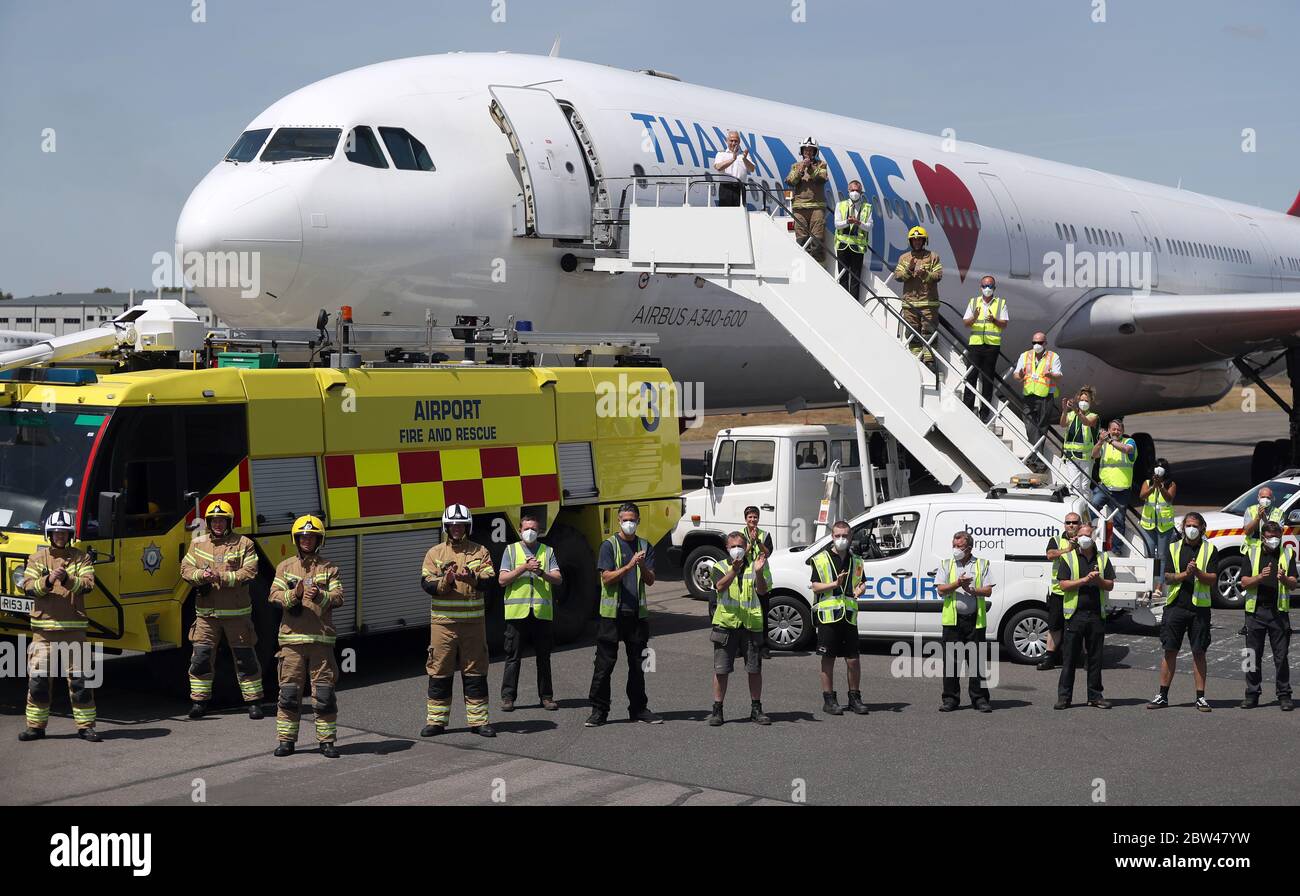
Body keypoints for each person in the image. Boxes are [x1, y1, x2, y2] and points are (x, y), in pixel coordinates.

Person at [18, 511, 100, 743]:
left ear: (70, 535)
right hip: (43, 632)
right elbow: (29, 586)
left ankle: (86, 727)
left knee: (81, 682)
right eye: (56, 533)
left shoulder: (81, 558)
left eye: (64, 533)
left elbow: (87, 585)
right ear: (49, 534)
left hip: (74, 630)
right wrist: (48, 579)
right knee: (38, 682)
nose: (60, 537)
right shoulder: (37, 558)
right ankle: (35, 727)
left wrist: (66, 579)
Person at [180, 499, 263, 719]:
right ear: (208, 522)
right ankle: (199, 702)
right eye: (214, 520)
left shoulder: (245, 543)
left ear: (229, 522)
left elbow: (251, 572)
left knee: (245, 659)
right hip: (207, 615)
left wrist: (223, 577)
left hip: (237, 615)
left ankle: (253, 702)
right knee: (201, 659)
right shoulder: (198, 543)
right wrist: (201, 576)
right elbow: (186, 569)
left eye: (221, 520)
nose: (217, 524)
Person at [269, 516, 344, 758]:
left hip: (320, 642)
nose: (306, 540)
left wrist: (321, 595)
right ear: (296, 539)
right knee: (289, 694)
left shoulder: (330, 568)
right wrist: (295, 594)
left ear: (318, 539)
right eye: (302, 536)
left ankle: (327, 742)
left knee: (323, 695)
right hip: (291, 643)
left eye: (311, 537)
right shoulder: (285, 567)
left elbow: (339, 598)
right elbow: (273, 597)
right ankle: (286, 742)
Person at [420, 504, 496, 737]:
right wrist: (447, 580)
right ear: (446, 527)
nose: (456, 528)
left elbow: (490, 580)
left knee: (475, 672)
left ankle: (478, 722)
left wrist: (471, 577)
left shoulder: (480, 551)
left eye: (460, 524)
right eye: (452, 525)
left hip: (473, 624)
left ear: (467, 526)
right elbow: (426, 584)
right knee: (439, 670)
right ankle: (436, 722)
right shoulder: (435, 553)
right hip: (443, 624)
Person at [587, 502, 663, 727]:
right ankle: (599, 711)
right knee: (604, 665)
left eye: (633, 519)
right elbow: (606, 578)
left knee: (640, 664)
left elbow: (650, 580)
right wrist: (629, 566)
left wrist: (641, 567)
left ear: (638, 521)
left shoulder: (644, 545)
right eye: (625, 520)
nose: (629, 523)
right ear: (618, 521)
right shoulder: (609, 546)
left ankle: (639, 708)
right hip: (612, 615)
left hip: (636, 615)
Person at [1148, 512, 1217, 711]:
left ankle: (1200, 697)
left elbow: (1212, 579)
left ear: (1202, 528)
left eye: (1195, 525)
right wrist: (1185, 574)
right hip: (1176, 606)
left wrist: (1198, 573)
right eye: (1188, 525)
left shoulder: (1210, 549)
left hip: (1200, 609)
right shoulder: (1174, 547)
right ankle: (1162, 695)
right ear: (1183, 527)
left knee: (1199, 652)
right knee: (1170, 650)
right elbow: (1168, 577)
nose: (1191, 529)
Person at [499, 514, 564, 712]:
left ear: (539, 531)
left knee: (543, 657)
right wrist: (524, 568)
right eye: (527, 528)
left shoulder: (547, 551)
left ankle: (546, 697)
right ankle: (508, 698)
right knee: (513, 656)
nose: (530, 532)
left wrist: (541, 573)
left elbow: (558, 579)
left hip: (541, 613)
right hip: (517, 613)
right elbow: (502, 579)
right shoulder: (511, 550)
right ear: (520, 530)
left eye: (534, 529)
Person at [706, 531, 771, 726]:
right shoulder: (719, 566)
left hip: (751, 625)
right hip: (726, 624)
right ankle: (717, 710)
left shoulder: (756, 566)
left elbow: (763, 591)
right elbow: (719, 586)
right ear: (727, 548)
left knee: (754, 669)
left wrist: (759, 572)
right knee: (721, 669)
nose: (737, 549)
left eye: (740, 546)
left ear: (746, 547)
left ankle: (756, 709)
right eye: (733, 546)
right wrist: (733, 571)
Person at [809, 520, 869, 716]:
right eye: (838, 536)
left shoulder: (857, 560)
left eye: (845, 536)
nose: (841, 539)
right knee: (828, 658)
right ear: (832, 537)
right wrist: (835, 584)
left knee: (853, 659)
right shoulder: (821, 559)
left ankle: (854, 697)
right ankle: (829, 699)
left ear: (851, 537)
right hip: (828, 617)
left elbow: (862, 583)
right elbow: (815, 586)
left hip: (849, 616)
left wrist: (860, 589)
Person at [1054, 524, 1114, 709]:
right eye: (1080, 535)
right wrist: (1084, 580)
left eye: (1087, 535)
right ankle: (1064, 698)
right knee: (1069, 659)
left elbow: (1110, 585)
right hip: (1075, 615)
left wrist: (1098, 581)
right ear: (1076, 538)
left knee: (1095, 658)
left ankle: (1095, 696)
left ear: (1093, 538)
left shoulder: (1102, 558)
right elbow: (1063, 585)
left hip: (1096, 614)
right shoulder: (1068, 557)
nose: (1084, 538)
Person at [1238, 520, 1295, 710]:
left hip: (1278, 612)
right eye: (1271, 537)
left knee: (1281, 656)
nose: (1274, 541)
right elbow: (1244, 582)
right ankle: (1251, 693)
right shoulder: (1252, 553)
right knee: (1251, 655)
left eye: (1277, 537)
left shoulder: (1287, 553)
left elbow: (1294, 583)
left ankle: (1284, 694)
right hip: (1256, 611)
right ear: (1263, 537)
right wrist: (1260, 577)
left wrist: (1284, 579)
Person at [936, 531, 994, 713]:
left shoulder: (981, 564)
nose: (956, 549)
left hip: (975, 620)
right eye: (954, 545)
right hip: (953, 621)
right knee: (952, 662)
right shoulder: (946, 564)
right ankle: (950, 699)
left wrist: (972, 589)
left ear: (969, 548)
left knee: (977, 661)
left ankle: (980, 698)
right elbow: (940, 590)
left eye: (959, 546)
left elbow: (988, 591)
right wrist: (957, 584)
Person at [893, 225, 944, 366]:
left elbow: (938, 275)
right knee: (912, 333)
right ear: (910, 242)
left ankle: (929, 360)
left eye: (919, 240)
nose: (916, 242)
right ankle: (916, 360)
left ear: (924, 241)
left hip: (928, 302)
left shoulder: (933, 257)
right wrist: (909, 270)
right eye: (914, 240)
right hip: (910, 303)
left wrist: (926, 274)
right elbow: (897, 276)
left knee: (929, 332)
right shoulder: (904, 258)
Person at [1038, 512, 1083, 671]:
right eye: (1068, 522)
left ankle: (1076, 657)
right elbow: (1050, 555)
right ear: (1064, 524)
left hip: (1078, 591)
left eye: (1075, 522)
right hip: (1059, 591)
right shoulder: (1057, 539)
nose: (1071, 525)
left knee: (1077, 626)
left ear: (1080, 524)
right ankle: (1049, 657)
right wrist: (1068, 549)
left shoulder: (1084, 539)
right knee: (1054, 626)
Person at [962, 275, 1008, 422]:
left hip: (991, 346)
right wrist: (974, 317)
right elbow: (966, 323)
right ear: (980, 287)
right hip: (975, 344)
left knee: (987, 379)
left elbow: (1004, 324)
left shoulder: (1000, 303)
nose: (987, 289)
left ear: (994, 288)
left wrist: (994, 320)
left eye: (990, 286)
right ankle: (968, 407)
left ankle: (984, 413)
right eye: (985, 286)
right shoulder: (974, 302)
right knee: (971, 376)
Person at [1014, 332, 1062, 470]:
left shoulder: (1053, 357)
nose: (1037, 345)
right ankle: (1038, 458)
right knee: (1030, 426)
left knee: (1041, 427)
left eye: (1040, 343)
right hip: (1029, 395)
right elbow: (1017, 375)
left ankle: (1037, 460)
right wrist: (1020, 375)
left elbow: (1059, 376)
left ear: (1045, 343)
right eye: (1034, 342)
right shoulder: (1025, 356)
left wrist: (1051, 374)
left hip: (1046, 396)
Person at [1090, 419, 1138, 555]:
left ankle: (1115, 550)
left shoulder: (1129, 442)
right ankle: (1089, 538)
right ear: (1109, 430)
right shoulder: (1104, 444)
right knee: (1092, 507)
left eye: (1118, 429)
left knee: (1118, 521)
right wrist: (1100, 441)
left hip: (1121, 490)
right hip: (1105, 487)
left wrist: (1109, 441)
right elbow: (1094, 455)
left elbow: (1126, 450)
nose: (1116, 432)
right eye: (1113, 429)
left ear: (1122, 431)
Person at [1137, 458, 1177, 595]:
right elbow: (1142, 496)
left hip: (1164, 527)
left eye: (1162, 468)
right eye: (1157, 467)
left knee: (1161, 556)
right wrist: (1153, 486)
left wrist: (1160, 486)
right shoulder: (1147, 483)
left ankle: (1159, 586)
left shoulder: (1171, 484)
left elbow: (1169, 499)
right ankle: (1148, 584)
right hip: (1148, 525)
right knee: (1149, 554)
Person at [786, 137, 830, 262]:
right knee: (801, 240)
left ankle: (819, 266)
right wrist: (801, 170)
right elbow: (790, 181)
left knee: (817, 240)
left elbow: (821, 178)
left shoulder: (821, 164)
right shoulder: (795, 166)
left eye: (811, 150)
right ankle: (804, 266)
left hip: (816, 207)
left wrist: (810, 167)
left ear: (815, 152)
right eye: (806, 150)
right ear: (802, 151)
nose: (808, 153)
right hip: (799, 208)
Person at [742, 505, 774, 657]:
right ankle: (742, 647)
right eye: (750, 517)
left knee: (762, 613)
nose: (753, 520)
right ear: (746, 519)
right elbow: (739, 555)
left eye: (755, 517)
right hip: (744, 580)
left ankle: (763, 647)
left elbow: (767, 553)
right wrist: (750, 543)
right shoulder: (740, 536)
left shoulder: (765, 534)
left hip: (761, 580)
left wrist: (758, 541)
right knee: (742, 613)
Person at [834, 180, 873, 300]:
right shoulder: (840, 205)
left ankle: (854, 303)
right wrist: (847, 222)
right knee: (843, 277)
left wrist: (858, 222)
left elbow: (869, 226)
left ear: (861, 192)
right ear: (848, 191)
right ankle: (844, 301)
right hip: (842, 245)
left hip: (858, 247)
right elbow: (837, 224)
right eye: (852, 190)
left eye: (857, 190)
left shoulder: (867, 207)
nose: (855, 192)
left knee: (856, 279)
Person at [1059, 386, 1099, 488]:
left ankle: (1085, 503)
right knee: (1075, 485)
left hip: (1086, 457)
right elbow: (1063, 424)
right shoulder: (1071, 414)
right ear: (1078, 400)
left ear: (1091, 402)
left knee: (1085, 486)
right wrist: (1064, 411)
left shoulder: (1094, 416)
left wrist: (1076, 410)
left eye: (1086, 400)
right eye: (1081, 400)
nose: (1083, 402)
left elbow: (1086, 422)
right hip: (1071, 455)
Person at [713, 130, 756, 208]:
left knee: (740, 213)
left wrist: (744, 159)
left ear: (739, 142)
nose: (733, 143)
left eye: (736, 141)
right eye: (731, 141)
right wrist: (732, 159)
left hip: (740, 188)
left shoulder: (744, 155)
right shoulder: (721, 154)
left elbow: (752, 169)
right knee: (725, 213)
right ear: (727, 141)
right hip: (726, 188)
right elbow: (718, 167)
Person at [1241, 485, 1284, 552]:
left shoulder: (1279, 512)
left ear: (1272, 499)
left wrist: (1265, 520)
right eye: (1263, 497)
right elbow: (1247, 532)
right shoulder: (1250, 510)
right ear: (1258, 498)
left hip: (1271, 549)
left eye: (1268, 497)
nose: (1265, 499)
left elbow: (1279, 533)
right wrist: (1257, 518)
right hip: (1253, 550)